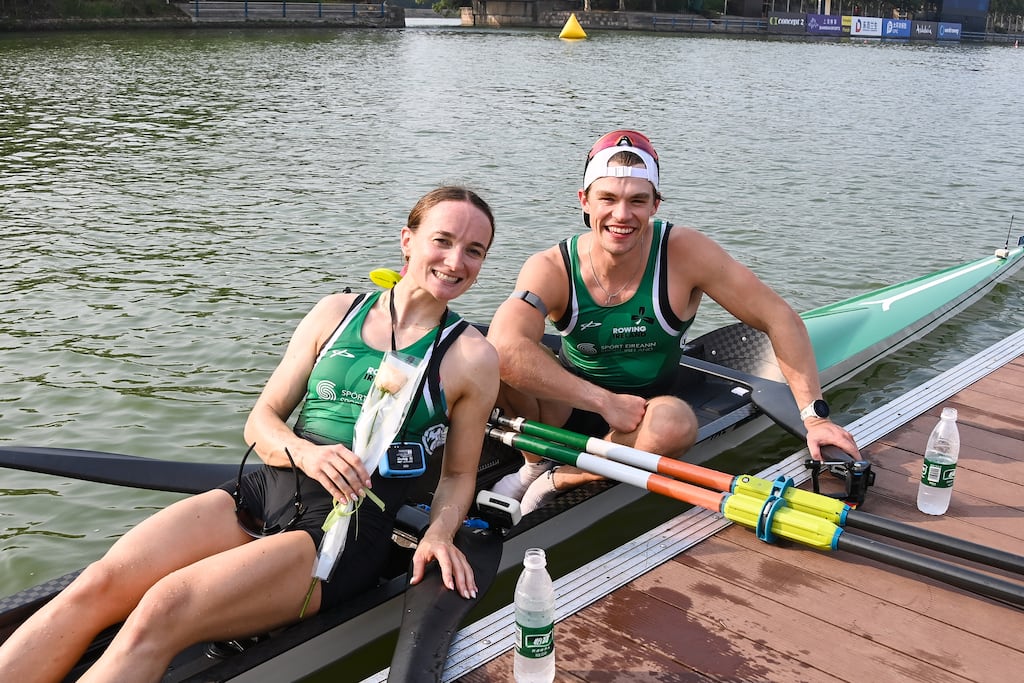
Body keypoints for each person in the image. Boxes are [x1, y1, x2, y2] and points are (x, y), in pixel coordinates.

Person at [0, 186, 499, 682]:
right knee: (97, 584)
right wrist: (305, 453)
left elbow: (458, 475)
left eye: (474, 251)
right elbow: (261, 422)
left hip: (342, 532)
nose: (456, 261)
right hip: (266, 488)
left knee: (161, 611)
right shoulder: (336, 312)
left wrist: (438, 533)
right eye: (443, 240)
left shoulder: (471, 357)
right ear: (407, 241)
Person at [487, 130, 859, 514]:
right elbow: (503, 348)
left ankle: (558, 478)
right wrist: (602, 401)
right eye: (608, 199)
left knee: (676, 426)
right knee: (489, 358)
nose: (622, 215)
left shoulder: (685, 252)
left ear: (655, 205)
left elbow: (779, 317)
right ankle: (533, 466)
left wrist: (814, 418)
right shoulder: (551, 266)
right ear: (584, 200)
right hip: (565, 404)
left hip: (645, 412)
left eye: (637, 201)